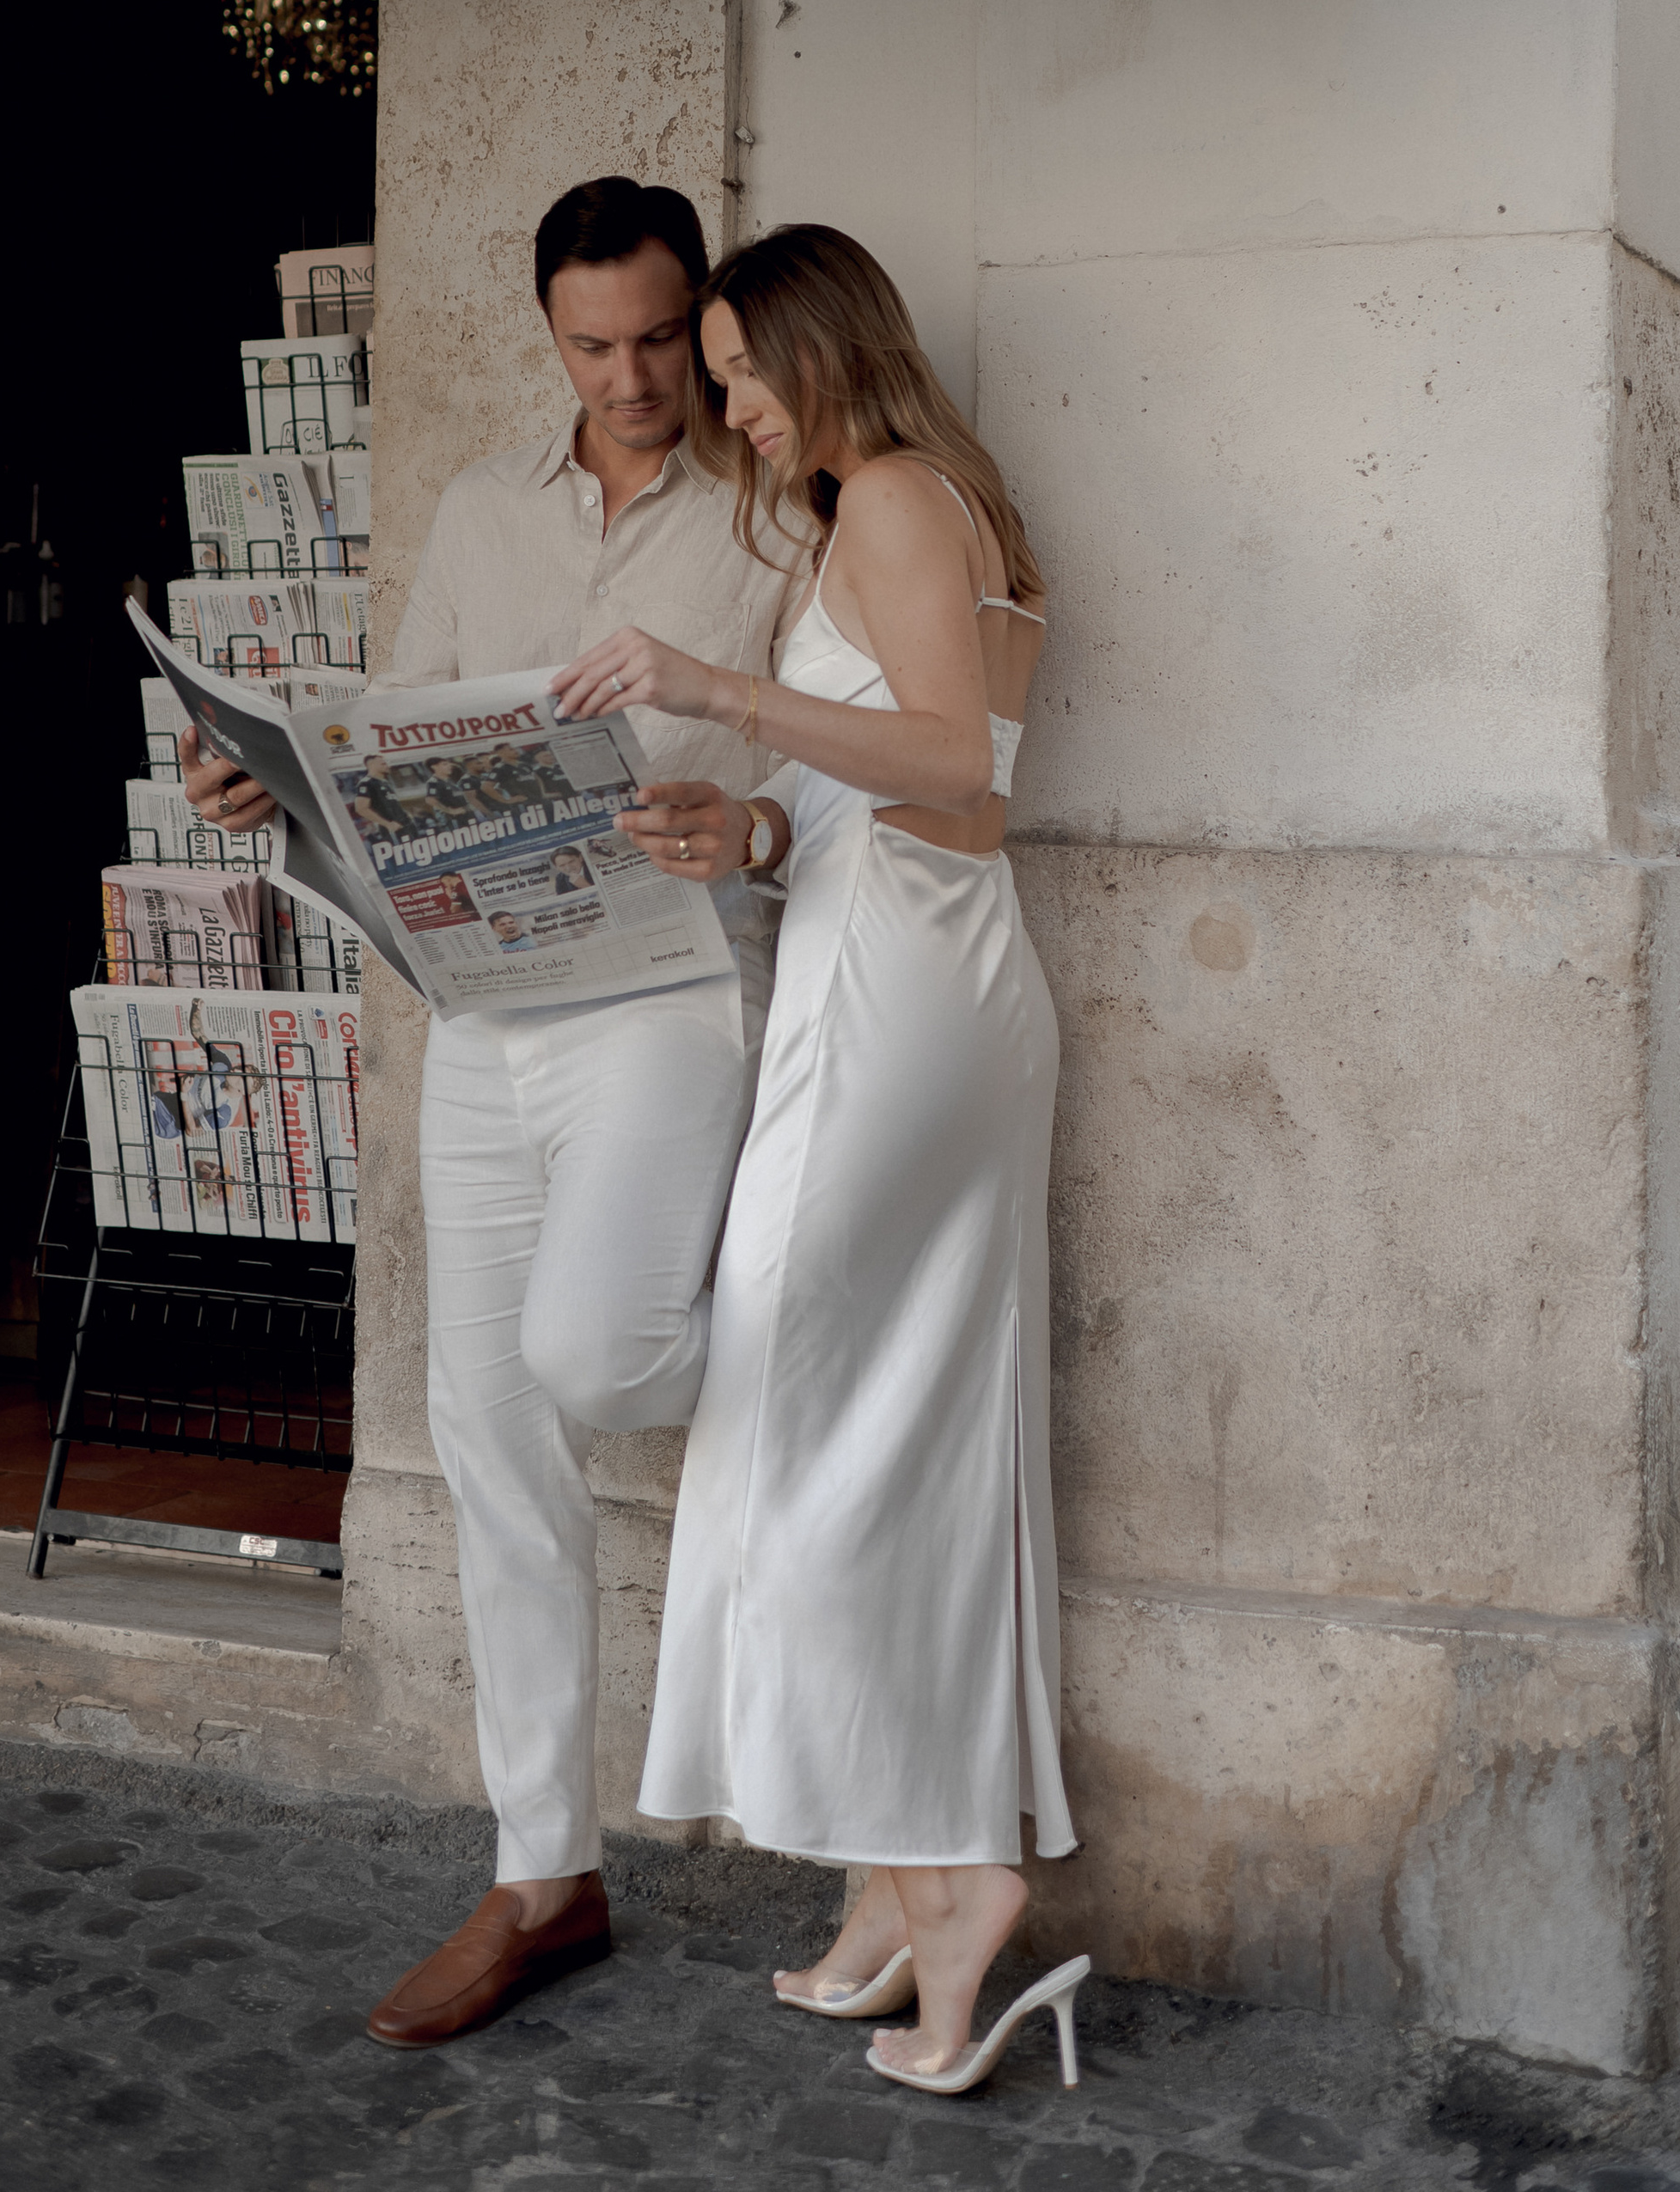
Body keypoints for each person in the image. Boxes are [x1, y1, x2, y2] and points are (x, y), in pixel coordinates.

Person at [180, 178, 802, 2046]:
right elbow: (407, 744)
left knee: (597, 1362)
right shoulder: (475, 504)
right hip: (485, 1011)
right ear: (548, 331)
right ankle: (544, 1868)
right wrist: (276, 797)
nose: (627, 378)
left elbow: (846, 764)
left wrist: (751, 826)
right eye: (588, 344)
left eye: (653, 338)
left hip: (670, 993)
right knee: (484, 1427)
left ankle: (853, 1346)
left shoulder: (782, 507)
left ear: (699, 313)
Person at [553, 223, 1088, 2101]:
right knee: (895, 1437)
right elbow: (894, 790)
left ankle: (952, 1889)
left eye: (744, 366)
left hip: (898, 1004)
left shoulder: (896, 501)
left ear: (823, 345)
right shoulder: (903, 506)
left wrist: (723, 681)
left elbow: (957, 767)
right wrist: (751, 828)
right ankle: (889, 1879)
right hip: (914, 968)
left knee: (789, 1408)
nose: (731, 405)